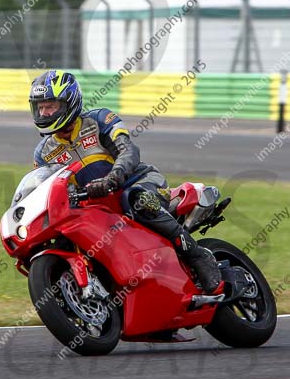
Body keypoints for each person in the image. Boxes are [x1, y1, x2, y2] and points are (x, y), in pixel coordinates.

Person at [29, 70, 222, 295]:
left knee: (136, 200)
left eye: (50, 106)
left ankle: (197, 255)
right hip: (96, 204)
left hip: (139, 181)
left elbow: (128, 150)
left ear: (69, 102)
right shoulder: (43, 153)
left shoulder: (99, 119)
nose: (44, 112)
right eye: (40, 107)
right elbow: (43, 188)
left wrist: (114, 177)